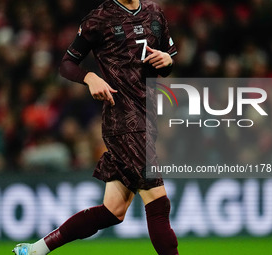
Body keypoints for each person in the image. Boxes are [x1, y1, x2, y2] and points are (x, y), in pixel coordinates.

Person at [12, 0, 178, 254]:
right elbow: (67, 64)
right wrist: (90, 78)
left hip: (147, 117)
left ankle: (37, 249)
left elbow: (167, 62)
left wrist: (167, 61)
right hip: (123, 121)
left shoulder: (154, 13)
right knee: (158, 204)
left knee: (113, 211)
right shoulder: (99, 18)